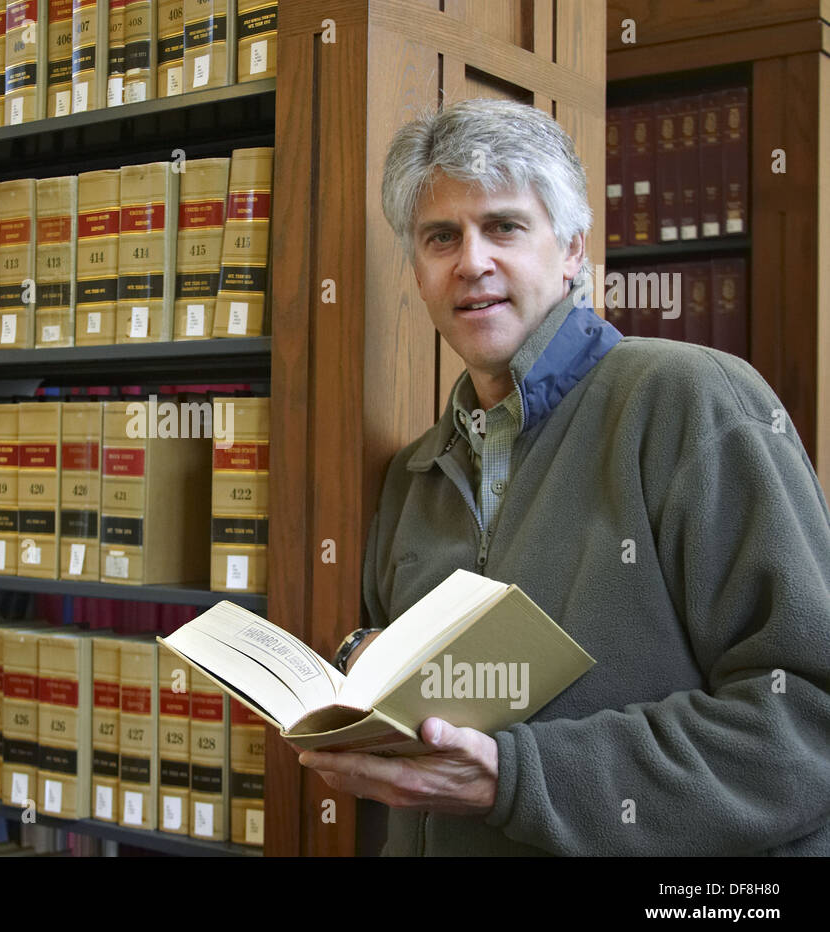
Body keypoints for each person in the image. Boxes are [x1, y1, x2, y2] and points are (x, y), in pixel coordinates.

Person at [297, 98, 830, 855]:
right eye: (440, 236)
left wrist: (515, 774)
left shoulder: (696, 400)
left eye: (505, 226)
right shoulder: (413, 476)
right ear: (416, 271)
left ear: (574, 248)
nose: (471, 260)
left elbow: (808, 722)